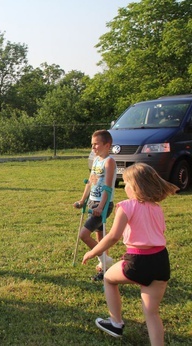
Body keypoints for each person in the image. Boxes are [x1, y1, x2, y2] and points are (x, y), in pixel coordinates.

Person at [82, 163, 178, 344]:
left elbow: (112, 237)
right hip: (160, 261)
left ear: (135, 187)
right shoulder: (157, 208)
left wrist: (93, 252)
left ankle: (116, 323)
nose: (124, 187)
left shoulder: (126, 206)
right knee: (152, 313)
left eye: (126, 183)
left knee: (109, 278)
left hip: (138, 260)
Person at [73, 129, 117, 281]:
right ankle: (105, 266)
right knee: (101, 237)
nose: (93, 148)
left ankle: (105, 261)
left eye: (96, 144)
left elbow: (108, 186)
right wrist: (82, 200)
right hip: (93, 201)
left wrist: (101, 207)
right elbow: (91, 181)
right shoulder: (96, 159)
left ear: (107, 145)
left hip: (103, 204)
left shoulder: (109, 161)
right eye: (92, 145)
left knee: (84, 235)